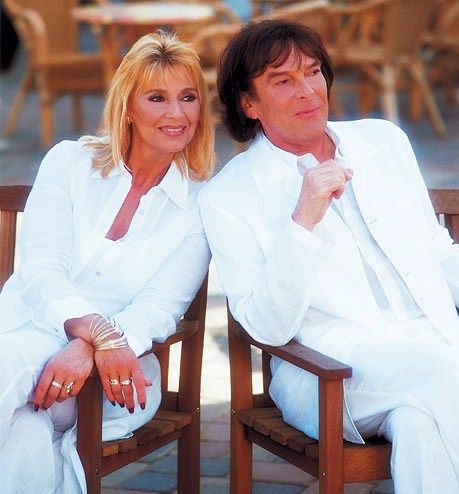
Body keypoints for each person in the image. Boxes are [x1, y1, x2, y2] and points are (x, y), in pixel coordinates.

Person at [198, 19, 459, 494]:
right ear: (248, 103)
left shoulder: (384, 141)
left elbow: (438, 254)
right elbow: (265, 327)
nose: (307, 90)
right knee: (443, 369)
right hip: (330, 373)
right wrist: (303, 220)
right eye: (282, 80)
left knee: (417, 422)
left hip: (432, 342)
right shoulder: (228, 195)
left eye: (313, 71)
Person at [0, 31, 214, 493]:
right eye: (157, 98)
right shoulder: (69, 163)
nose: (177, 114)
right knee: (27, 430)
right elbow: (41, 270)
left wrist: (90, 347)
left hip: (117, 376)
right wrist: (94, 331)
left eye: (188, 97)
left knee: (7, 362)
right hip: (25, 334)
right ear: (128, 107)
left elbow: (159, 308)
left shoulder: (200, 206)